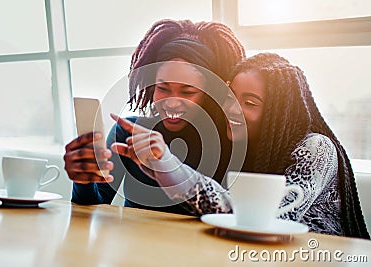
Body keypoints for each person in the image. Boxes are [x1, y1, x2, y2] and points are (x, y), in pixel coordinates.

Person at [120, 53, 369, 238]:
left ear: (277, 113)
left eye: (250, 102)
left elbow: (263, 219)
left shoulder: (317, 149)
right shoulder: (248, 146)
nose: (230, 110)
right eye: (231, 97)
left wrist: (170, 166)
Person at [63, 19, 245, 214]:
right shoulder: (128, 133)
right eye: (163, 88)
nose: (172, 103)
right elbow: (93, 207)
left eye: (188, 92)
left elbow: (232, 213)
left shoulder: (226, 142)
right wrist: (83, 181)